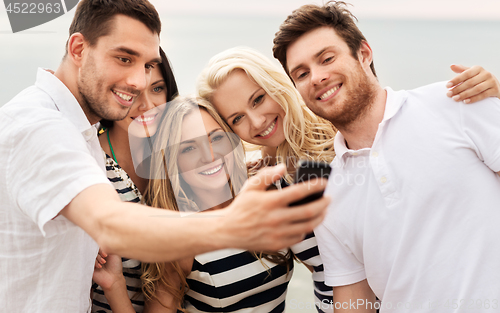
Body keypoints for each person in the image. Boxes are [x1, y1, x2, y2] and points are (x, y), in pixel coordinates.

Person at [0, 0, 330, 311]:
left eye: (148, 68)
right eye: (124, 58)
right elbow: (109, 222)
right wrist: (231, 224)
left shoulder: (84, 134)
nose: (137, 83)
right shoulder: (38, 125)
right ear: (78, 49)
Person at [272, 1, 500, 312]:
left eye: (326, 58)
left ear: (363, 54)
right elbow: (354, 299)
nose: (316, 77)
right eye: (301, 73)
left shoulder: (457, 103)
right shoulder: (327, 193)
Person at [93, 96, 332, 313]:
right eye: (188, 147)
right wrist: (114, 284)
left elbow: (324, 271)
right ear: (172, 161)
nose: (208, 156)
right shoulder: (181, 237)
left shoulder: (264, 195)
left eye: (216, 138)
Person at [91, 47, 179, 313]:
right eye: (134, 92)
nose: (148, 106)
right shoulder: (89, 166)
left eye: (157, 89)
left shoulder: (177, 160)